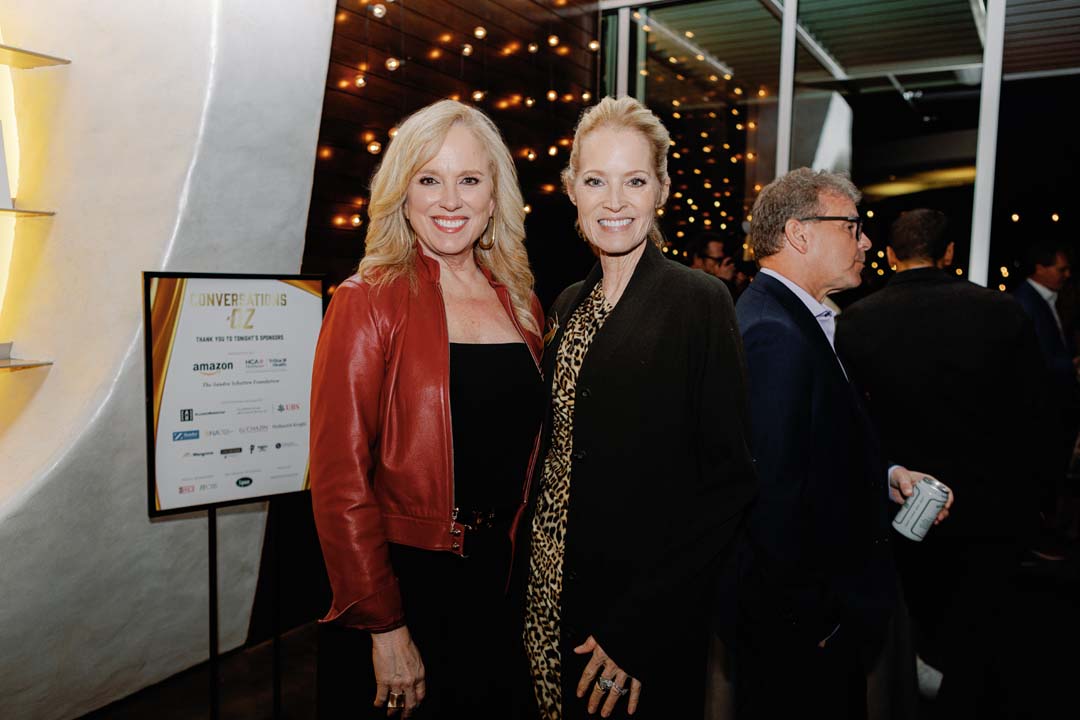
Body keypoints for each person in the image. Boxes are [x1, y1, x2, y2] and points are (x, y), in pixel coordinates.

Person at [516, 96, 757, 720]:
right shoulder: (567, 301)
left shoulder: (700, 300)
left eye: (635, 181)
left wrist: (641, 627)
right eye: (596, 181)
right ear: (573, 189)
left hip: (636, 610)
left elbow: (728, 482)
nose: (614, 201)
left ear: (662, 191)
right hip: (548, 584)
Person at [309, 99, 545, 719]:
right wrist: (384, 626)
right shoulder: (367, 301)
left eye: (469, 179)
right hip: (405, 587)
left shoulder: (520, 303)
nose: (450, 201)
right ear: (402, 196)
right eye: (429, 179)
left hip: (499, 583)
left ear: (494, 197)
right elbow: (339, 482)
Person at [734, 169, 950, 719]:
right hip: (803, 624)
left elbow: (816, 448)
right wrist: (817, 620)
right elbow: (772, 500)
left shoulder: (794, 317)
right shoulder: (774, 332)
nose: (867, 242)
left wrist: (886, 476)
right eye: (852, 226)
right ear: (800, 233)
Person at [836, 209, 1052, 717]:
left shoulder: (856, 321)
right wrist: (1036, 501)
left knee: (908, 633)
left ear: (890, 255)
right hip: (989, 507)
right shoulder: (1001, 312)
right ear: (950, 253)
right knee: (979, 637)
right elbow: (1037, 414)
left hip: (900, 507)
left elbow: (848, 423)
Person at [1013, 242, 1079, 549]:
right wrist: (1070, 365)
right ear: (1040, 267)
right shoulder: (1025, 302)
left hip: (1055, 404)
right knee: (1041, 476)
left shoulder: (1048, 299)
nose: (1066, 274)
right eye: (1061, 269)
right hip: (1041, 408)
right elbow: (1034, 359)